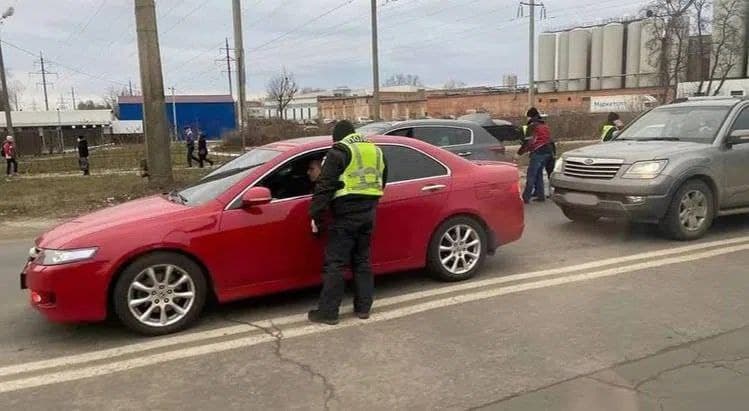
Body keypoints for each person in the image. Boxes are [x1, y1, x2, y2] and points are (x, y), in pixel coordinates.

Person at [308, 120, 387, 325]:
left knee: (335, 264)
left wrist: (316, 215)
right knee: (362, 261)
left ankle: (328, 312)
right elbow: (382, 180)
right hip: (369, 213)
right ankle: (363, 308)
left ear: (337, 138)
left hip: (345, 215)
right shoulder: (375, 151)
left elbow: (324, 186)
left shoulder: (339, 152)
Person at [516, 108, 553, 204]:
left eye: (527, 116)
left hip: (538, 153)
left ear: (530, 116)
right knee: (539, 174)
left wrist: (518, 153)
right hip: (547, 152)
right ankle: (541, 196)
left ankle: (525, 198)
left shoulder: (532, 126)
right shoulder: (544, 125)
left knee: (531, 176)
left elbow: (528, 142)